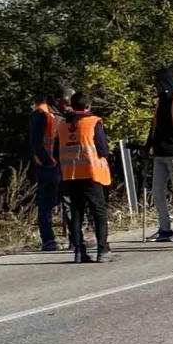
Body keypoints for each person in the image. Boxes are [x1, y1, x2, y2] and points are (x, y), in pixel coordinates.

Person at [55, 92, 113, 263]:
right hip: (91, 172)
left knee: (76, 212)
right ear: (88, 106)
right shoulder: (93, 122)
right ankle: (102, 251)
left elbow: (55, 151)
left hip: (70, 173)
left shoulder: (62, 125)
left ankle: (79, 252)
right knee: (99, 212)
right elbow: (103, 149)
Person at [30, 86, 74, 251]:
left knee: (69, 201)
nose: (69, 106)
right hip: (48, 166)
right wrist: (48, 162)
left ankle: (74, 237)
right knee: (46, 203)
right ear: (58, 100)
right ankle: (48, 240)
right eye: (67, 102)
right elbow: (36, 143)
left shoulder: (63, 113)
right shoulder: (41, 113)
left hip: (65, 165)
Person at [147, 67, 173, 242]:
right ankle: (164, 228)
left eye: (157, 81)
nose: (155, 85)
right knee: (157, 192)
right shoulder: (160, 101)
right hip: (159, 153)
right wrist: (148, 145)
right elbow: (154, 126)